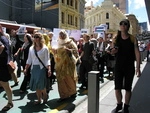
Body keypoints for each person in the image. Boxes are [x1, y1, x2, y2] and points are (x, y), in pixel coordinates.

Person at [111, 19, 141, 113]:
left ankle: (126, 106)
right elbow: (112, 51)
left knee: (128, 88)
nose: (123, 26)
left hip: (129, 67)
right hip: (119, 66)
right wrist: (113, 51)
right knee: (117, 87)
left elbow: (137, 52)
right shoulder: (116, 38)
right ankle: (119, 105)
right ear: (120, 26)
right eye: (121, 24)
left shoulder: (133, 38)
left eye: (125, 24)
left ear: (128, 27)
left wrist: (138, 68)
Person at [24, 32, 51, 104]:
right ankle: (39, 99)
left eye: (37, 37)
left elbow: (47, 59)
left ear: (41, 38)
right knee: (36, 84)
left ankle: (45, 95)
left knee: (41, 84)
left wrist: (49, 69)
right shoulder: (31, 48)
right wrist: (26, 68)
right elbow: (29, 59)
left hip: (41, 68)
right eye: (34, 37)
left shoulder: (45, 48)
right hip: (34, 68)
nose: (36, 38)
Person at [53, 30, 79, 102]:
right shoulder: (57, 42)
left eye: (63, 34)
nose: (61, 36)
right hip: (59, 65)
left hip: (68, 65)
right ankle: (64, 95)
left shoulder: (70, 43)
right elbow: (55, 54)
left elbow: (76, 52)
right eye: (60, 34)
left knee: (69, 78)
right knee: (61, 80)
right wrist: (54, 52)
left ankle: (73, 92)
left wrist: (70, 51)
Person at [0, 24, 13, 111]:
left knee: (5, 84)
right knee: (5, 84)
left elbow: (1, 47)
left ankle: (10, 102)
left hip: (1, 65)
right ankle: (10, 102)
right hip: (4, 64)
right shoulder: (4, 37)